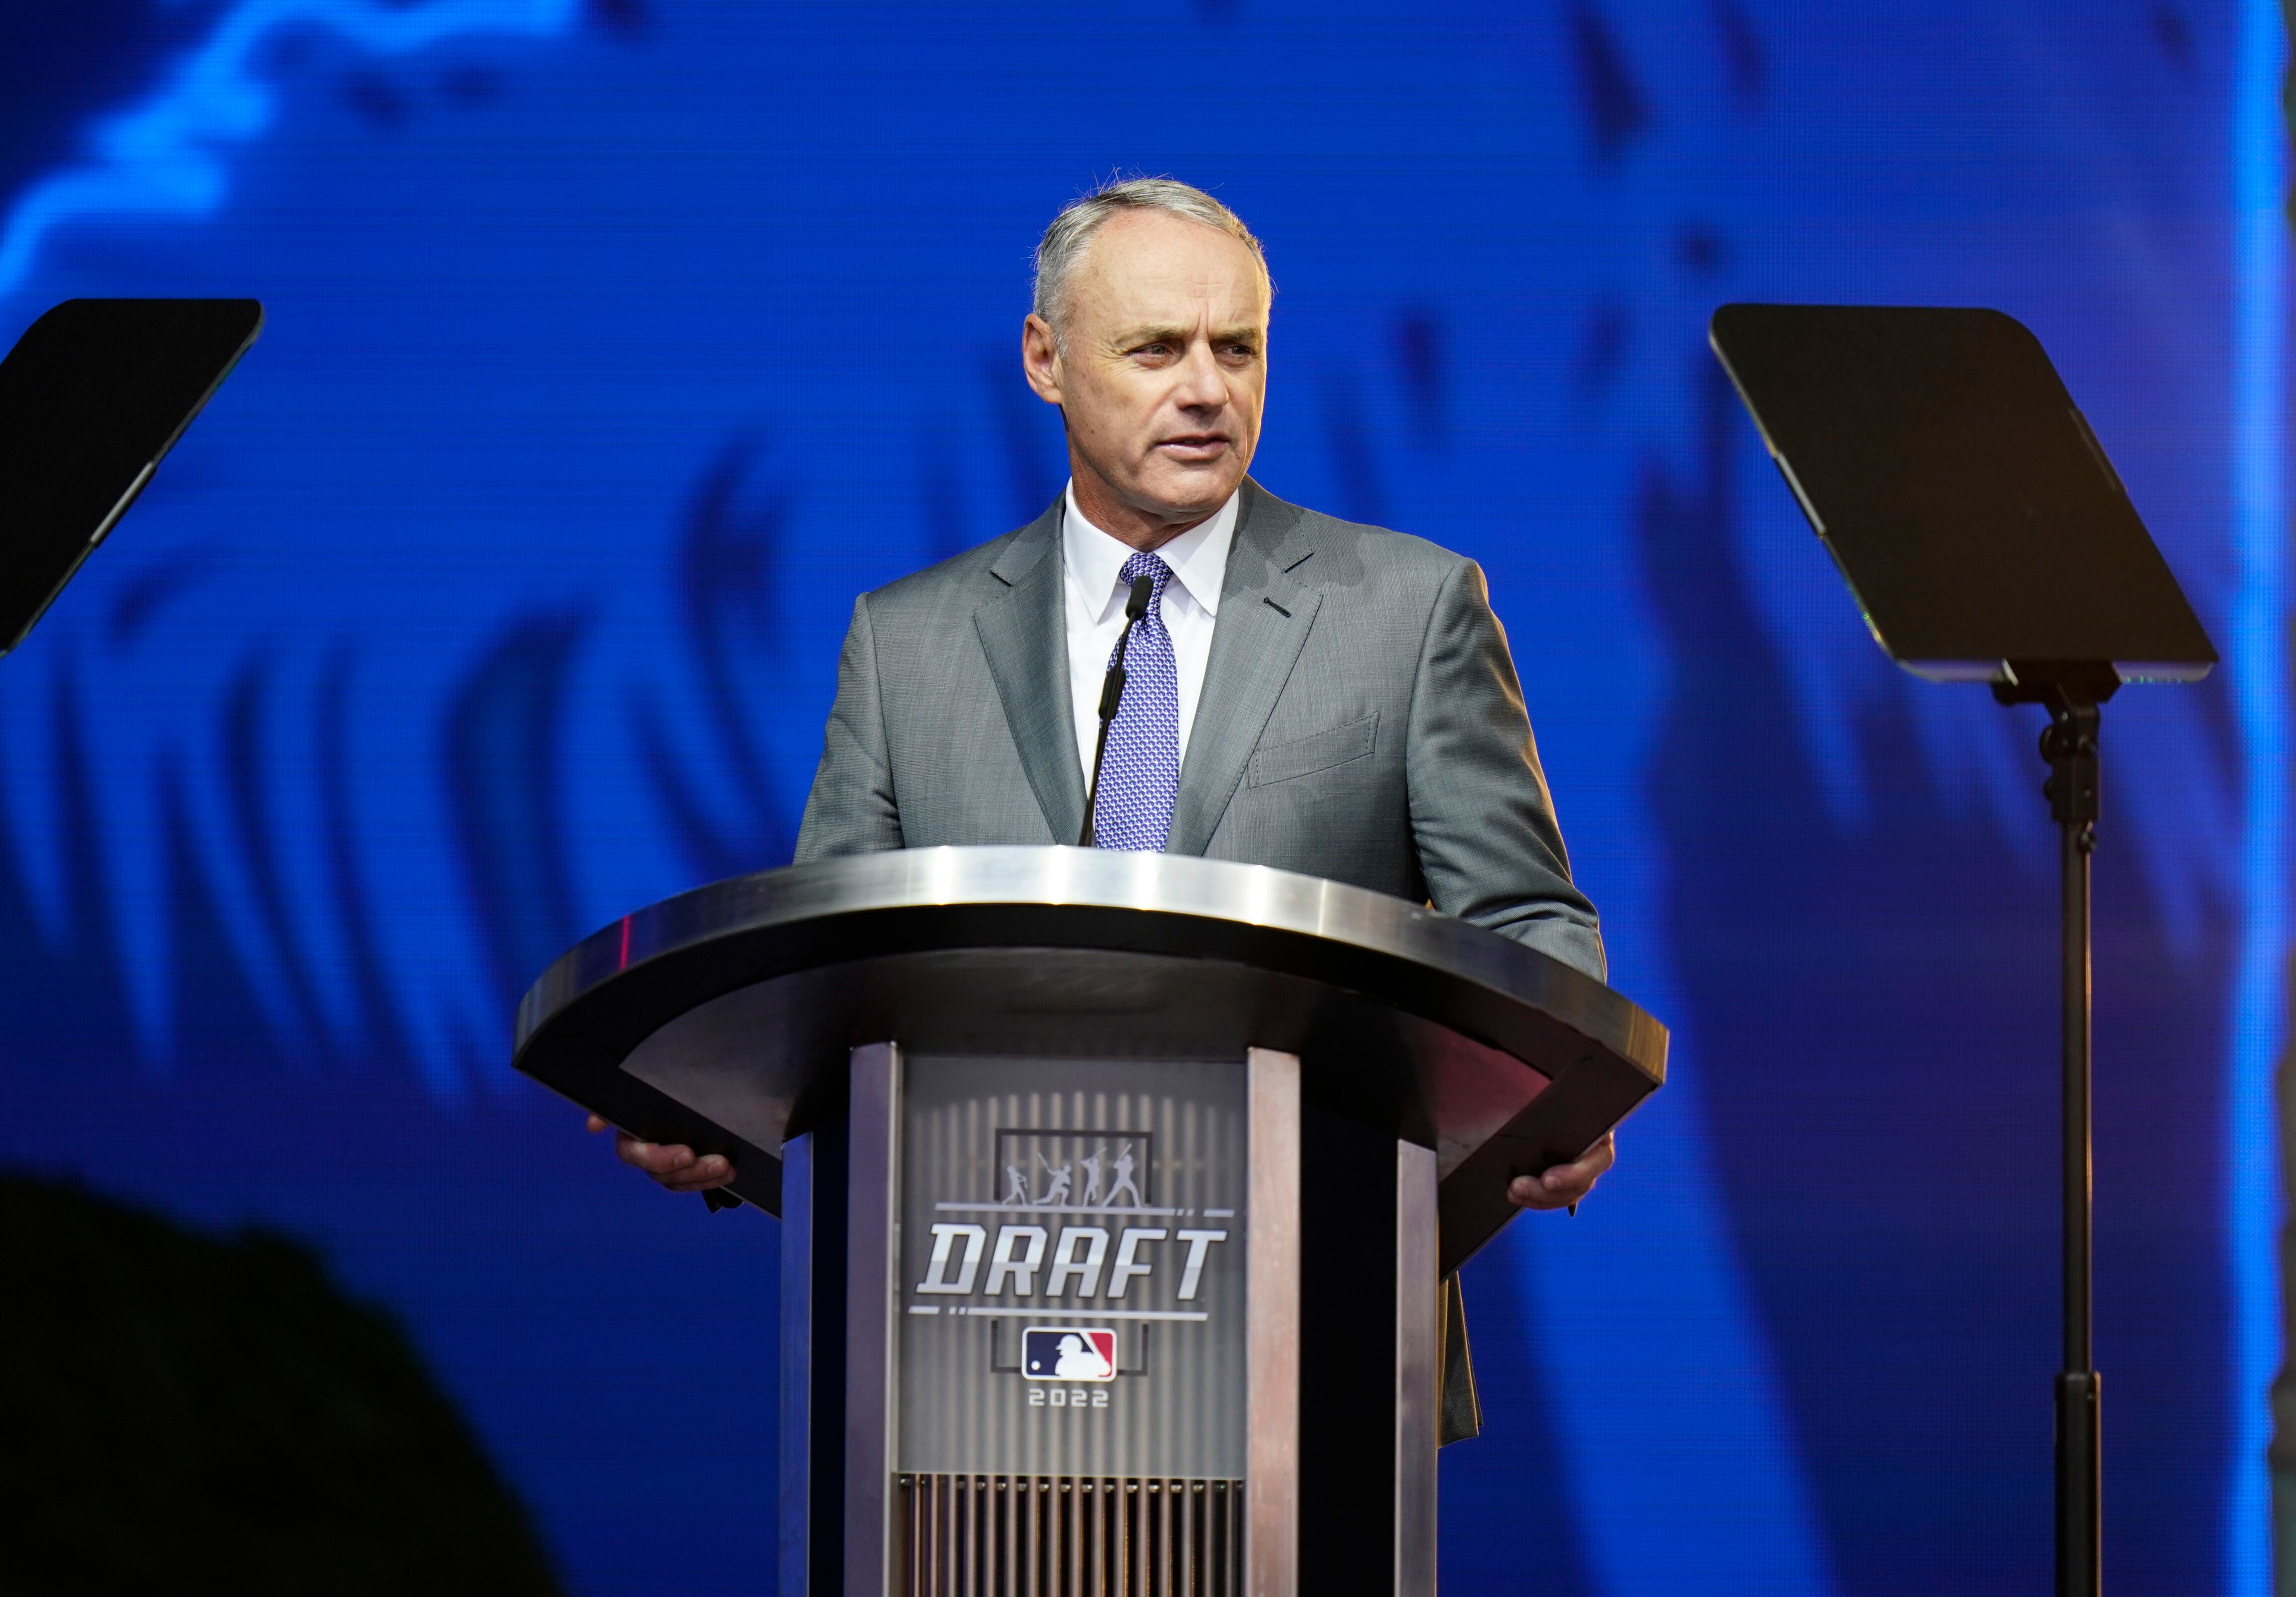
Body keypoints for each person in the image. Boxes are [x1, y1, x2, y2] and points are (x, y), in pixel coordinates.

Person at [592, 176, 1615, 1216]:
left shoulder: (1409, 609)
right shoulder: (905, 644)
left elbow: (1524, 919)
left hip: (1324, 1277)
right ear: (1045, 358)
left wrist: (1561, 1098)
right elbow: (828, 977)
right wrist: (723, 1108)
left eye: (1239, 348)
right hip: (980, 1280)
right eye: (1158, 348)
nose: (1209, 389)